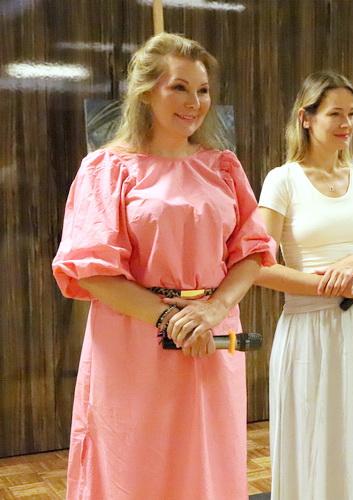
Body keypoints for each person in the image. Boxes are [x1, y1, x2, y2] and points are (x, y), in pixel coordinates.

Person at [52, 33, 275, 499]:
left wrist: (214, 309)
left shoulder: (223, 167)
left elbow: (252, 251)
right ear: (146, 91)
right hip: (134, 342)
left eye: (203, 90)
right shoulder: (106, 169)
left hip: (210, 338)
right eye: (179, 87)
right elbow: (92, 271)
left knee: (207, 462)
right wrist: (170, 318)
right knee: (134, 466)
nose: (195, 103)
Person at [256, 70, 353, 500]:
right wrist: (332, 286)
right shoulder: (283, 180)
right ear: (306, 117)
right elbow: (258, 267)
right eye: (335, 113)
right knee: (312, 438)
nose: (346, 124)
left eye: (351, 114)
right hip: (308, 328)